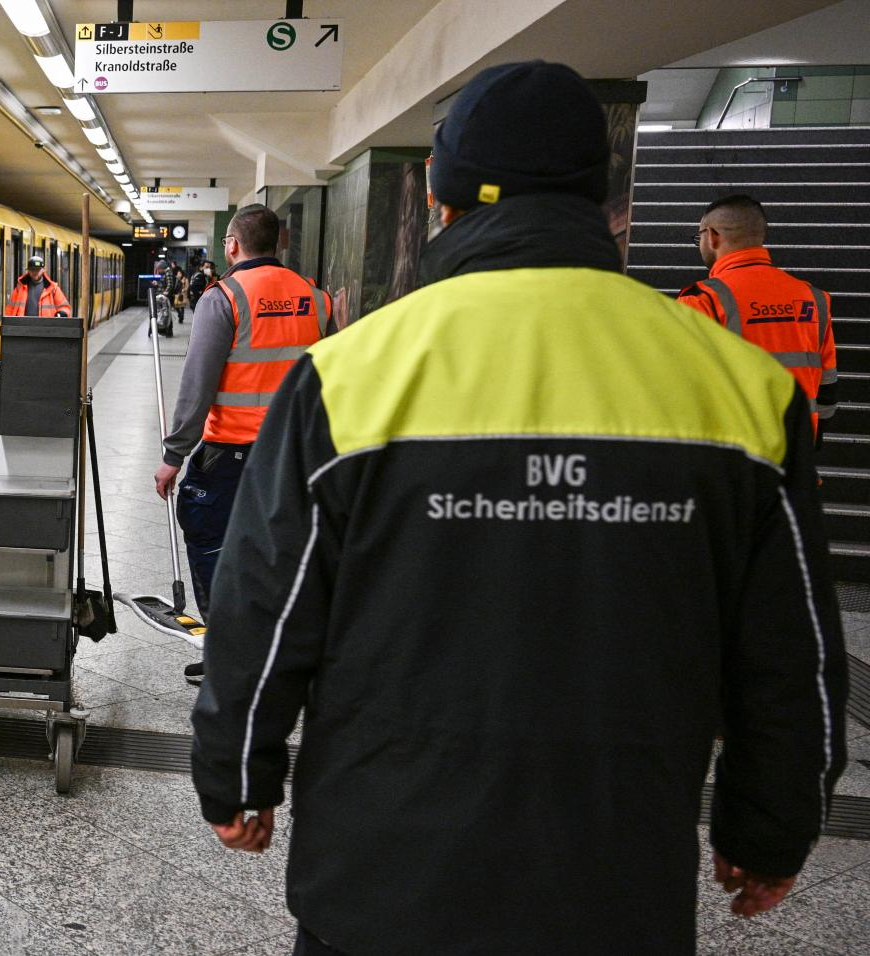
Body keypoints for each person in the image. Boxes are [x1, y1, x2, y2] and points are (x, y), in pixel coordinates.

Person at [188, 61, 847, 956]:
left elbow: (266, 599)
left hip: (381, 876)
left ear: (437, 193)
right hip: (615, 881)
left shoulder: (351, 375)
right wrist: (774, 819)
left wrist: (237, 772)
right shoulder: (743, 388)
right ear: (602, 194)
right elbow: (790, 644)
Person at [154, 204, 331, 686]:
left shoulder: (225, 297)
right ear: (278, 244)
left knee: (212, 541)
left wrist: (174, 455)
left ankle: (228, 657)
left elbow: (198, 385)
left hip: (231, 454)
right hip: (294, 452)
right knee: (280, 550)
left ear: (232, 245)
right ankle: (280, 654)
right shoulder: (315, 298)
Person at [677, 194, 837, 435]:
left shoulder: (702, 300)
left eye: (699, 237)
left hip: (733, 452)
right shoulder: (814, 299)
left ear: (712, 236)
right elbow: (827, 390)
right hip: (797, 449)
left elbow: (681, 391)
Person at [3, 254, 70, 318]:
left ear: (43, 270)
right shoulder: (20, 287)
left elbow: (64, 307)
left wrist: (61, 314)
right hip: (23, 324)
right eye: (32, 269)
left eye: (37, 270)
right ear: (28, 270)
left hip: (45, 325)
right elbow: (10, 308)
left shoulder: (53, 288)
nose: (35, 272)